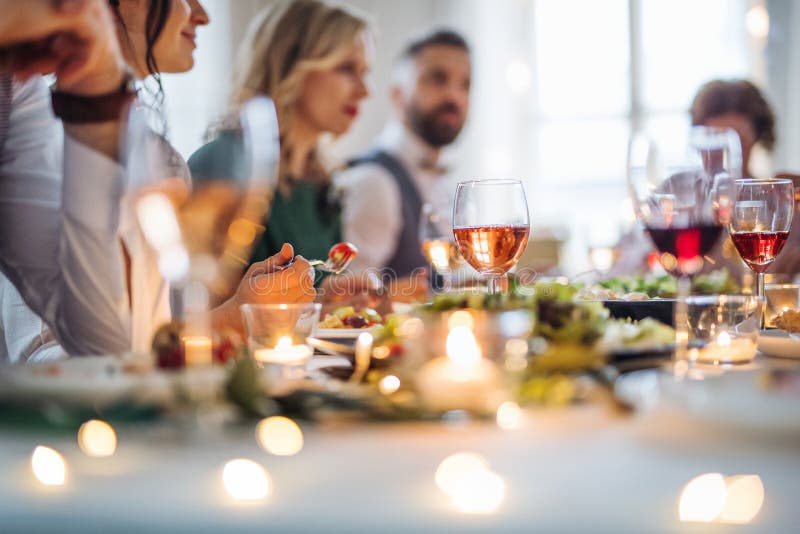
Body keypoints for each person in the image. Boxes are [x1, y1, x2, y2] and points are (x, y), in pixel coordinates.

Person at [0, 0, 314, 361]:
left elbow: (116, 346)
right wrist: (232, 318)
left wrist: (100, 86)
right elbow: (49, 354)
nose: (203, 15)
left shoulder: (20, 95)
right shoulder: (51, 131)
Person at [188, 0, 371, 278]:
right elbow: (197, 302)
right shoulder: (223, 164)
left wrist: (337, 298)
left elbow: (309, 299)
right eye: (346, 68)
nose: (364, 91)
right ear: (291, 65)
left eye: (364, 72)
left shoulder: (322, 182)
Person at [335, 29, 471, 285]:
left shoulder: (443, 181)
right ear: (398, 95)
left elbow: (445, 283)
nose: (455, 96)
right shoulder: (374, 181)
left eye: (465, 84)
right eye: (437, 79)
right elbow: (351, 303)